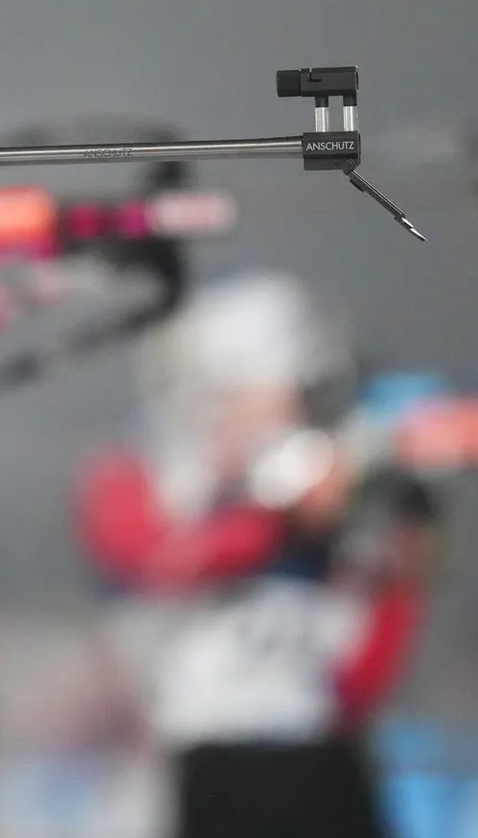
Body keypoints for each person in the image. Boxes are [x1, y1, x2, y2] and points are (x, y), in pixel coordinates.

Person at [75, 273, 428, 838]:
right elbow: (158, 560)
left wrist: (397, 548)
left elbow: (362, 671)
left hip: (320, 757)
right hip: (207, 763)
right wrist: (277, 516)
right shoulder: (142, 471)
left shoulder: (331, 476)